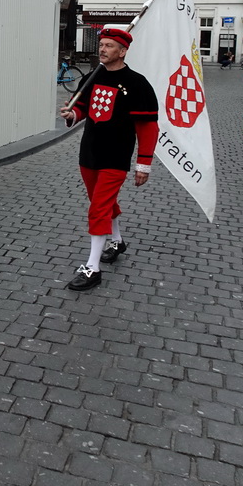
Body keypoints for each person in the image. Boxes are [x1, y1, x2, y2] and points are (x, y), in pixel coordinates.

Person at [59, 28, 158, 292]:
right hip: (89, 151)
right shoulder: (93, 76)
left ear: (123, 51)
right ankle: (117, 241)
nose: (102, 49)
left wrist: (143, 164)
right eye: (101, 45)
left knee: (98, 208)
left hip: (116, 156)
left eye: (109, 46)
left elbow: (147, 127)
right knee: (101, 202)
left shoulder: (137, 83)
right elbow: (81, 107)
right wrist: (72, 115)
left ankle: (92, 267)